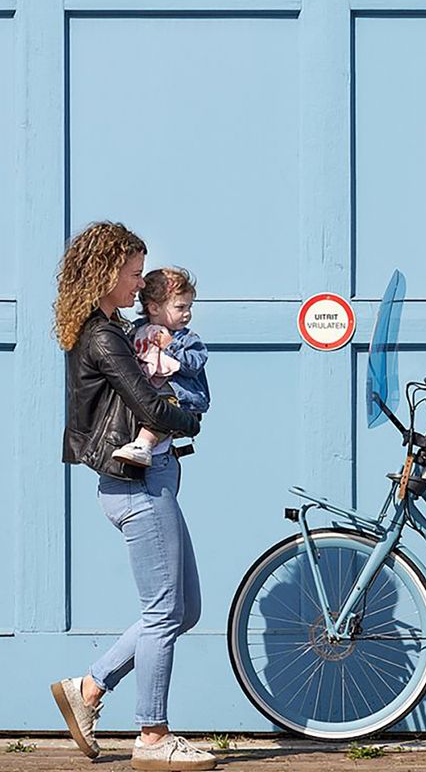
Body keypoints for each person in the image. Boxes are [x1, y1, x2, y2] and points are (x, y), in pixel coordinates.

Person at [49, 221, 217, 771]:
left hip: (153, 479)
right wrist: (191, 417)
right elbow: (150, 406)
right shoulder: (104, 337)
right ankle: (152, 735)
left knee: (183, 609)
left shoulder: (118, 329)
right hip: (135, 483)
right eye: (133, 273)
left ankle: (89, 688)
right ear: (105, 273)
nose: (140, 283)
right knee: (164, 612)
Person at [113, 267, 211, 467]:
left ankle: (143, 445)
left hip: (178, 399)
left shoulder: (187, 338)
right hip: (147, 397)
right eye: (180, 307)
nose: (187, 314)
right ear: (154, 308)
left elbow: (194, 365)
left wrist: (170, 346)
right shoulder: (137, 332)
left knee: (163, 409)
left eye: (189, 307)